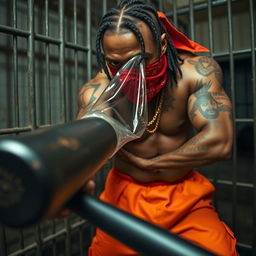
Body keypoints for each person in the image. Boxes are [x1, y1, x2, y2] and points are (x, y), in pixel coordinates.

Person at [77, 0, 238, 255]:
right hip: (123, 196)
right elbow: (83, 143)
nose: (130, 73)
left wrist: (154, 164)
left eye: (140, 60)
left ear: (163, 45)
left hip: (184, 197)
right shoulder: (97, 90)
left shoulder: (196, 73)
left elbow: (220, 142)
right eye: (115, 64)